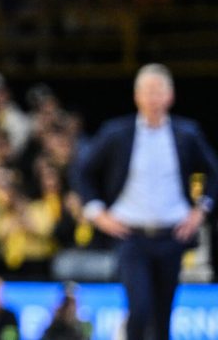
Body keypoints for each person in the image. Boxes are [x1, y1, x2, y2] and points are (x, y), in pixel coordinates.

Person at [73, 63, 218, 340]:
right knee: (139, 310)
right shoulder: (117, 133)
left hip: (171, 235)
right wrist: (97, 212)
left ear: (170, 96)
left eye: (159, 91)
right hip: (131, 236)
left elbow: (214, 172)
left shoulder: (186, 134)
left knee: (163, 317)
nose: (153, 99)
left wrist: (201, 212)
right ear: (136, 96)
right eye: (148, 92)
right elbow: (82, 171)